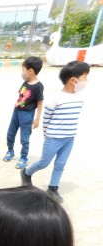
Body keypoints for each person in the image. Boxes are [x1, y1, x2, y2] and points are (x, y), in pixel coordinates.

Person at [20, 60, 89, 203]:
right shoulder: (56, 98)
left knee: (60, 164)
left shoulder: (80, 98)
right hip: (53, 138)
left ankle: (53, 188)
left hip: (69, 138)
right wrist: (47, 135)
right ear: (73, 80)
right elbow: (47, 119)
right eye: (84, 77)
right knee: (44, 162)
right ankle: (26, 172)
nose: (86, 81)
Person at [3, 56, 44, 169]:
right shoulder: (25, 82)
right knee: (10, 133)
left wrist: (37, 119)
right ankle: (10, 151)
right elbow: (21, 96)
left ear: (30, 71)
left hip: (27, 115)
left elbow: (40, 102)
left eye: (23, 70)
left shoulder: (38, 86)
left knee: (24, 138)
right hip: (16, 111)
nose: (22, 72)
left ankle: (24, 158)